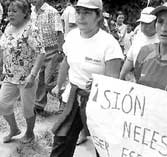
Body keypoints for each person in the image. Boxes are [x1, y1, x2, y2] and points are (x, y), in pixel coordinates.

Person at [50, 0, 124, 156]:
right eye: (78, 12)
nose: (81, 17)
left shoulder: (109, 44)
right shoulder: (72, 36)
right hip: (72, 96)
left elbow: (113, 81)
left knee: (102, 145)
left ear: (98, 16)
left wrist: (100, 84)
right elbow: (66, 62)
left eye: (87, 13)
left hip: (99, 102)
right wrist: (59, 85)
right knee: (62, 140)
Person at [0, 0, 45, 143]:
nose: (10, 13)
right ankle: (14, 129)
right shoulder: (8, 27)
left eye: (14, 11)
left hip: (27, 78)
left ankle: (30, 133)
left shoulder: (31, 29)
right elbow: (3, 49)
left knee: (27, 108)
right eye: (9, 11)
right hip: (9, 75)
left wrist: (32, 75)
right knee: (2, 103)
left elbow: (41, 53)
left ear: (25, 13)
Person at [29, 0, 64, 114]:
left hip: (52, 50)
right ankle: (39, 106)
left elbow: (60, 32)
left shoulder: (52, 12)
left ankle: (65, 103)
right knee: (39, 79)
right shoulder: (32, 12)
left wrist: (60, 50)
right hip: (38, 51)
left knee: (50, 81)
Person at [120, 6, 159, 81]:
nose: (144, 26)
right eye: (142, 23)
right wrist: (121, 77)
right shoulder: (138, 36)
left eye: (147, 23)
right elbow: (130, 59)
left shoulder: (162, 40)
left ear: (156, 22)